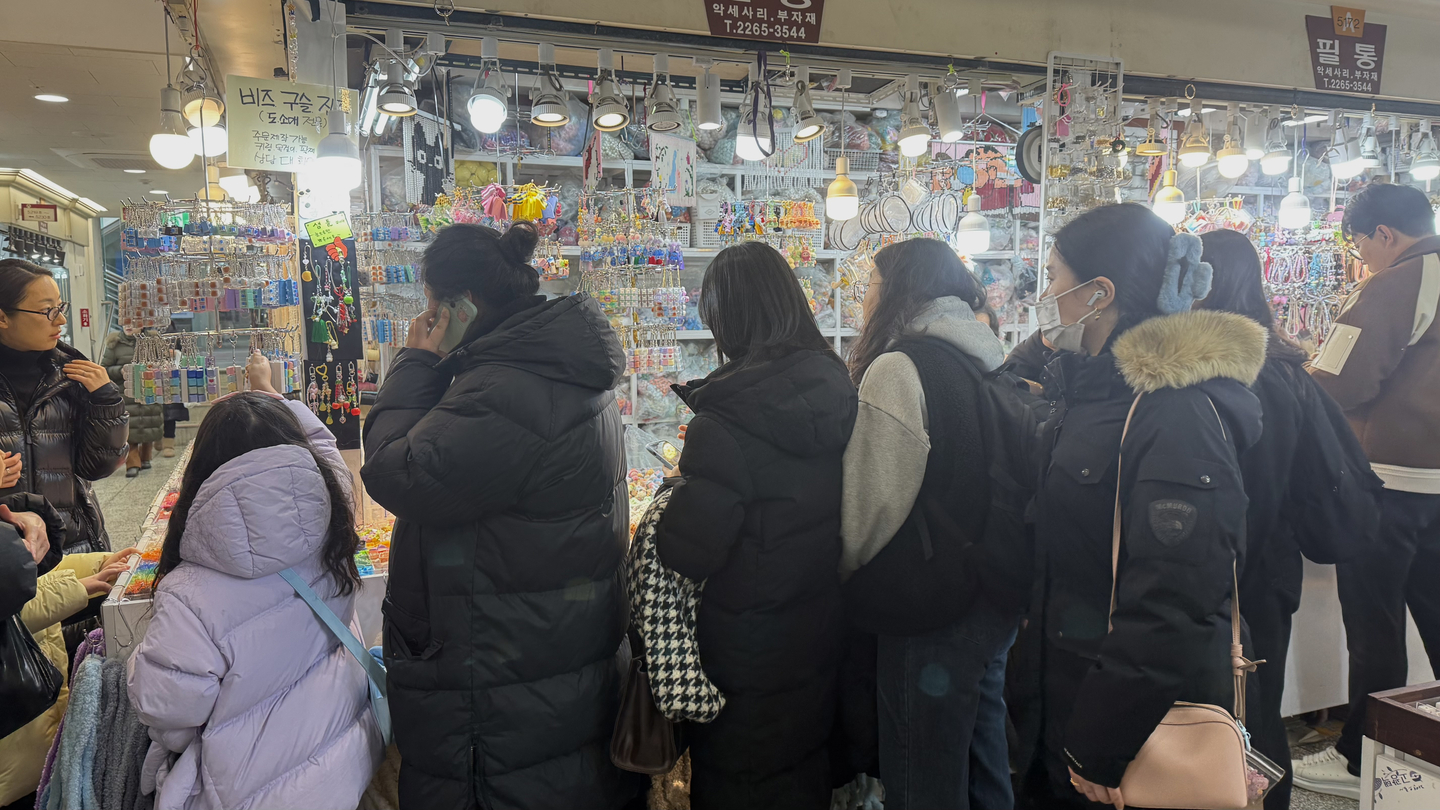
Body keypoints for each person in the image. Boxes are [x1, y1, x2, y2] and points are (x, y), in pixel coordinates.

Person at [361, 222, 637, 810]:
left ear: (460, 306)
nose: (426, 316)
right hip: (542, 655)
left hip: (498, 683)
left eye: (431, 303)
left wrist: (414, 362)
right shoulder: (547, 362)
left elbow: (395, 470)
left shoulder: (507, 387)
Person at [1028, 204, 1266, 808]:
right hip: (1076, 690)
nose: (1048, 294)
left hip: (1133, 726)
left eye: (1055, 277)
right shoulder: (1094, 390)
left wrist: (1101, 743)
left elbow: (1176, 598)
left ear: (1097, 293)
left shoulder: (1173, 412)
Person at [653, 241, 856, 810]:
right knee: (800, 776)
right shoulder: (836, 388)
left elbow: (688, 552)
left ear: (727, 319)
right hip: (816, 631)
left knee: (740, 784)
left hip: (745, 654)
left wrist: (674, 499)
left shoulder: (727, 420)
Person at [127, 380, 384, 810]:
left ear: (200, 472)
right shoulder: (327, 525)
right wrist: (276, 400)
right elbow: (326, 450)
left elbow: (169, 712)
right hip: (344, 764)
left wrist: (138, 660)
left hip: (249, 792)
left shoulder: (189, 594)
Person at [1198, 229, 1380, 810]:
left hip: (1211, 571)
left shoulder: (1203, 374)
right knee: (1259, 714)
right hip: (1270, 573)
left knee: (1209, 715)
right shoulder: (1284, 370)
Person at [838, 239, 1018, 809]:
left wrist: (841, 568)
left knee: (922, 774)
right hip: (991, 586)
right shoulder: (984, 353)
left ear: (898, 289)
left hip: (928, 601)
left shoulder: (900, 366)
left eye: (871, 282)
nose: (863, 296)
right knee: (983, 754)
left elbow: (872, 505)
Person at [1297, 182, 1440, 798]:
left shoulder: (1398, 283)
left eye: (1361, 243)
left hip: (1389, 481)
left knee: (1375, 624)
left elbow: (1341, 380)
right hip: (1435, 482)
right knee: (1434, 613)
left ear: (1383, 234)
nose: (1362, 258)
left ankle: (1363, 757)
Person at [0, 259, 128, 554]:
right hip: (8, 557)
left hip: (74, 548)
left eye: (61, 308)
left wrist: (106, 402)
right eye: (48, 311)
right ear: (3, 318)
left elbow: (97, 467)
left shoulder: (71, 375)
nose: (60, 321)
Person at [0, 533, 135, 809]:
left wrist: (98, 565)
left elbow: (33, 572)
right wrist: (77, 588)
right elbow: (14, 600)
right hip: (15, 746)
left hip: (39, 724)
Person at [100, 329, 164, 477]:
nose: (129, 326)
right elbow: (104, 369)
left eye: (133, 322)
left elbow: (163, 363)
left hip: (149, 389)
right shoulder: (114, 344)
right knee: (129, 429)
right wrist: (120, 370)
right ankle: (132, 463)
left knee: (149, 423)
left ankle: (146, 457)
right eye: (126, 322)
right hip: (125, 391)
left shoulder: (152, 341)